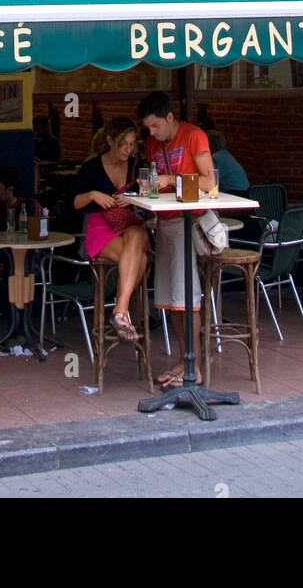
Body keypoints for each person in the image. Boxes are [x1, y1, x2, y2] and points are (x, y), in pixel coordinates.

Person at [138, 91, 214, 388]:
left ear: (170, 118)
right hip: (164, 224)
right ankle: (184, 361)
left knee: (187, 297)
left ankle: (193, 366)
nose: (152, 133)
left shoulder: (193, 136)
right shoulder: (152, 144)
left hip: (189, 222)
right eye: (148, 129)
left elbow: (211, 181)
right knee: (170, 300)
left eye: (156, 126)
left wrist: (173, 180)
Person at [72, 117, 149, 341]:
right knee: (141, 260)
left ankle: (119, 311)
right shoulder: (92, 168)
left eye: (132, 144)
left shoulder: (137, 166)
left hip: (128, 223)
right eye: (123, 143)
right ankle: (122, 312)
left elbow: (150, 195)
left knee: (137, 233)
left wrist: (133, 198)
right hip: (100, 226)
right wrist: (93, 195)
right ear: (109, 140)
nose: (128, 149)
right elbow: (73, 203)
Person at [206, 131, 249, 197]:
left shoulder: (216, 157)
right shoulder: (225, 154)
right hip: (245, 191)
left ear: (211, 144)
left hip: (235, 192)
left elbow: (210, 181)